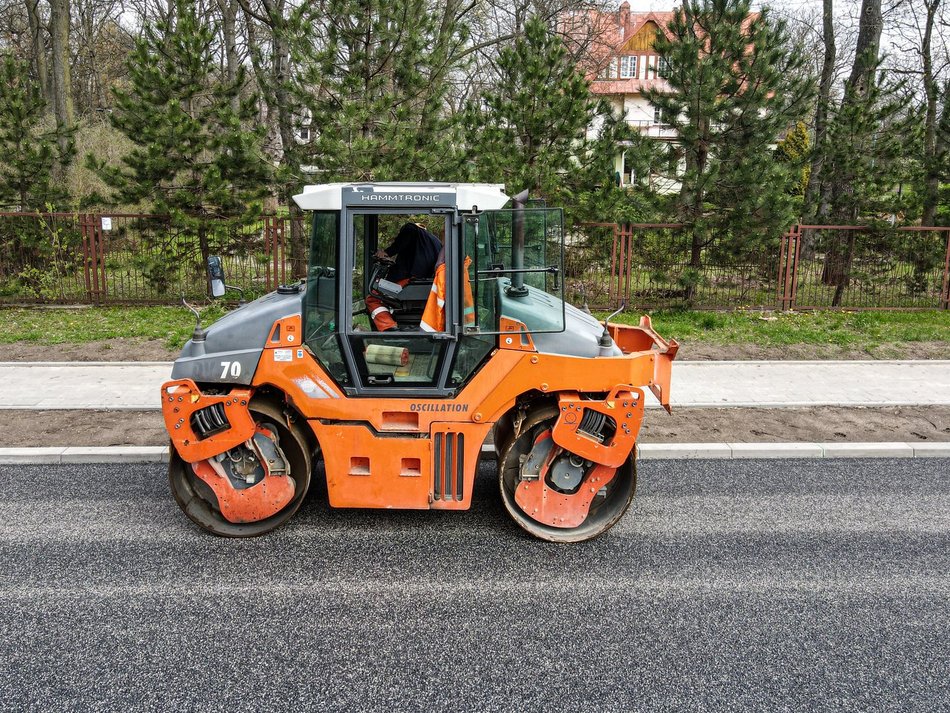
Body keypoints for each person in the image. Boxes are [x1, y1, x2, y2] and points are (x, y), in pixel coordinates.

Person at [366, 222, 442, 331]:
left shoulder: (411, 229)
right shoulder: (435, 241)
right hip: (425, 283)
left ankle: (389, 327)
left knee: (373, 297)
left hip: (408, 282)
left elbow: (405, 237)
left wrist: (387, 252)